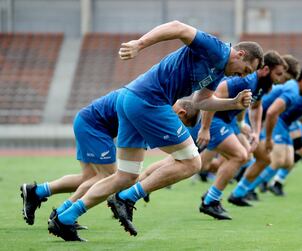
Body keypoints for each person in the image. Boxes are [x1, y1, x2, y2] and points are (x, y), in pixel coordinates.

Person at [48, 20, 264, 241]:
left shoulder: (219, 70)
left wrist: (234, 103)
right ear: (239, 54)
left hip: (132, 98)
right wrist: (139, 44)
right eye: (245, 70)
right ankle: (127, 198)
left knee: (126, 175)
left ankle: (65, 217)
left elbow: (201, 101)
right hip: (149, 100)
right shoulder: (217, 49)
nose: (241, 76)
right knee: (192, 162)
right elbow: (178, 27)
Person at [20, 89, 199, 228]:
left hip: (87, 121)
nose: (177, 127)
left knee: (89, 178)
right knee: (110, 178)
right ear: (181, 113)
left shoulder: (157, 101)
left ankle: (37, 192)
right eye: (181, 124)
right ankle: (61, 213)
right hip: (94, 126)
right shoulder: (157, 109)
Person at [191, 51, 286, 219]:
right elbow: (214, 95)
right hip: (214, 120)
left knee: (245, 156)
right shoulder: (246, 80)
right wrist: (205, 128)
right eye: (278, 74)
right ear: (265, 69)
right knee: (237, 156)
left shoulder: (262, 85)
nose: (280, 79)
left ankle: (211, 195)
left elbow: (256, 106)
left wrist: (255, 131)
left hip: (228, 122)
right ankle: (210, 201)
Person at [228, 68, 302, 201]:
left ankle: (243, 189)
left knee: (286, 161)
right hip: (255, 122)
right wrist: (268, 138)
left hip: (272, 122)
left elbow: (283, 113)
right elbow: (272, 112)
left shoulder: (297, 91)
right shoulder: (293, 90)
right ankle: (243, 189)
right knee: (271, 159)